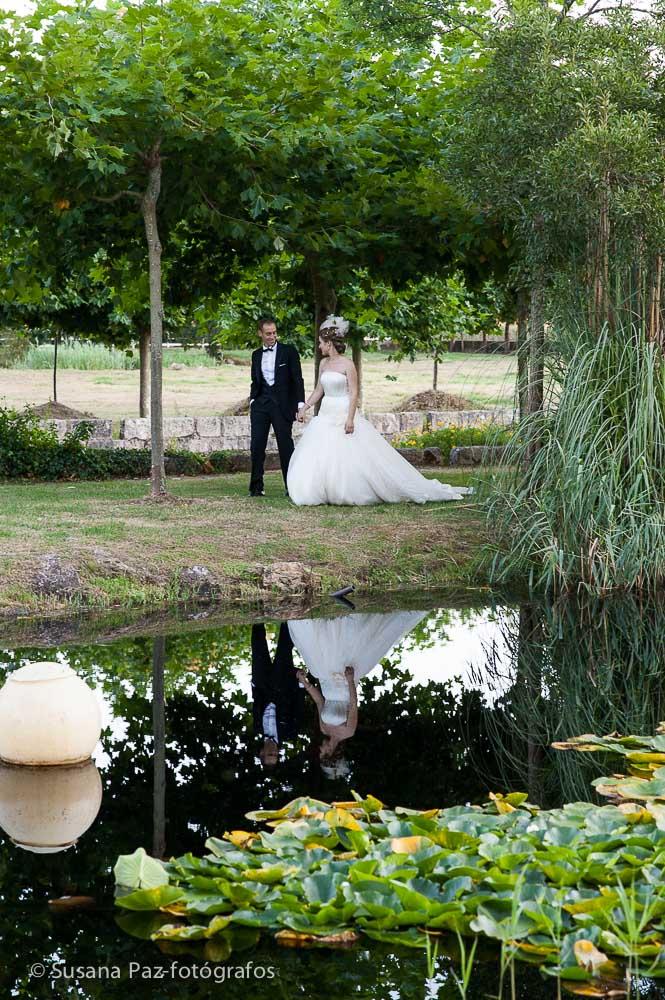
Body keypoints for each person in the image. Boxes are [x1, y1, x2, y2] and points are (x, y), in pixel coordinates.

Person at [287, 315, 472, 505]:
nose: (319, 347)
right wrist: (305, 408)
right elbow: (319, 389)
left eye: (320, 343)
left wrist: (350, 419)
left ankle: (350, 490)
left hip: (343, 411)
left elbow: (354, 393)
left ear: (329, 343)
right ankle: (322, 490)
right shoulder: (324, 364)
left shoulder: (348, 365)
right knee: (323, 452)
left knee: (348, 454)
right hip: (326, 413)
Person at [289, 609, 426, 777]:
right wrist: (350, 679)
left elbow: (319, 702)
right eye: (322, 752)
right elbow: (353, 704)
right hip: (344, 685)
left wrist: (305, 682)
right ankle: (348, 607)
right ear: (330, 752)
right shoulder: (348, 732)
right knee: (349, 642)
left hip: (327, 683)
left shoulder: (324, 728)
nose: (319, 749)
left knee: (322, 646)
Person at [249, 316, 305, 497]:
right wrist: (252, 400)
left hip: (282, 406)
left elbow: (298, 379)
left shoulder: (289, 352)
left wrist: (300, 404)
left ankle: (291, 487)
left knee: (285, 446)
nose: (272, 336)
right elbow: (255, 380)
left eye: (274, 332)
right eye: (268, 333)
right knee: (257, 445)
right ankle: (256, 487)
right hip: (260, 405)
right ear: (260, 334)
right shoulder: (256, 355)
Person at [251, 623, 303, 769]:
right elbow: (298, 708)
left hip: (262, 685)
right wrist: (300, 684)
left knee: (258, 647)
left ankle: (257, 614)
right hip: (282, 686)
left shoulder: (257, 728)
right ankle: (288, 614)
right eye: (276, 755)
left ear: (262, 752)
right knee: (284, 649)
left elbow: (256, 704)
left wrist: (254, 686)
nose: (274, 752)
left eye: (270, 755)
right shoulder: (289, 733)